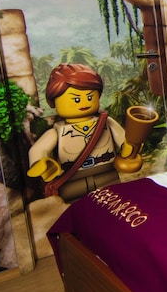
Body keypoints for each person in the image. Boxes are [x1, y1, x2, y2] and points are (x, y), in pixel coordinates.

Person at [28, 63, 141, 201]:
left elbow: (124, 140)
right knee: (76, 206)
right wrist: (43, 164)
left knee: (115, 202)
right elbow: (37, 150)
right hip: (72, 181)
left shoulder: (106, 122)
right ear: (55, 101)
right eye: (76, 99)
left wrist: (129, 149)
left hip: (107, 176)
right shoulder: (56, 132)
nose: (84, 103)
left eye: (89, 97)